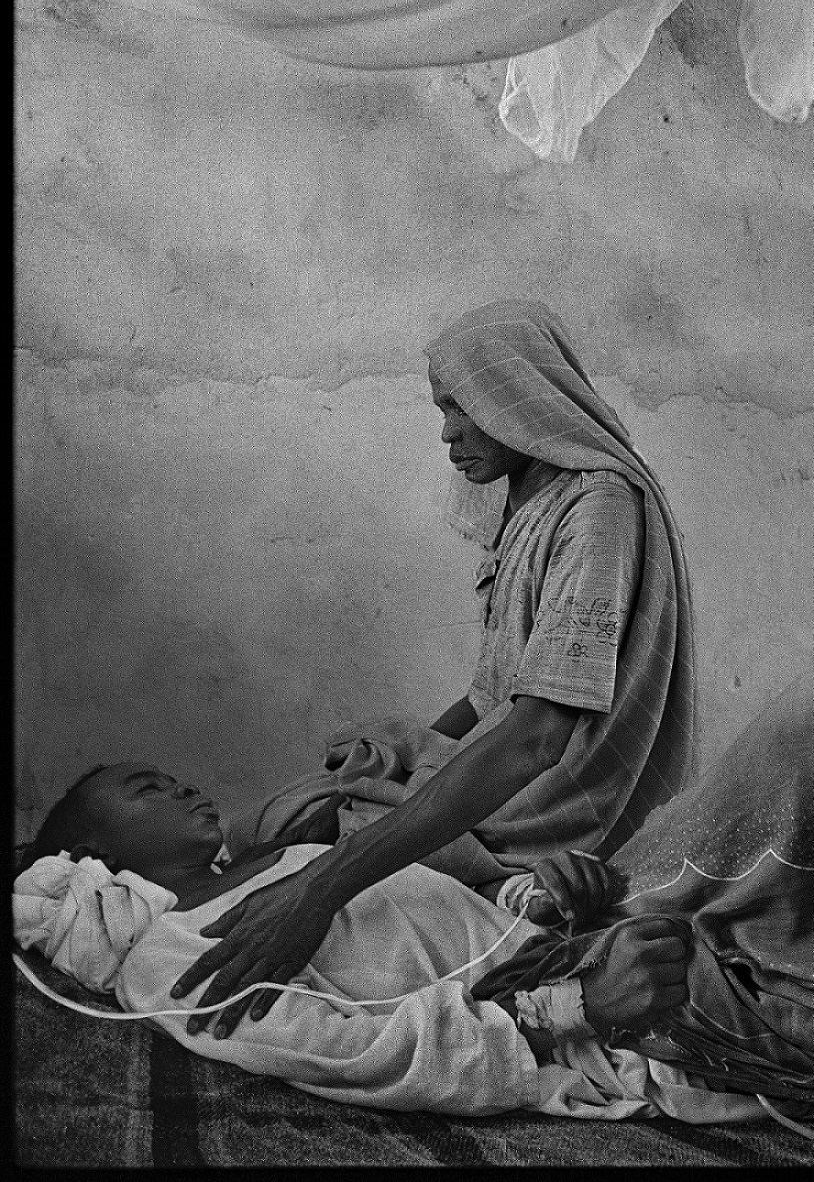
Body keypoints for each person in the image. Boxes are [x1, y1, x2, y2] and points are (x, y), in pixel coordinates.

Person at [15, 672, 814, 1134]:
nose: (183, 787)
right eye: (145, 791)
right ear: (91, 855)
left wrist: (534, 885)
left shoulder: (292, 848)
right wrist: (577, 1012)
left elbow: (463, 890)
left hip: (584, 925)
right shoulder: (169, 952)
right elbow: (359, 1050)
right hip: (620, 1005)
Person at [167, 299, 697, 1038]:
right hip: (513, 773)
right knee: (292, 811)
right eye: (442, 408)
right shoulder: (530, 503)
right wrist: (397, 757)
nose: (448, 431)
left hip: (559, 804)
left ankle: (516, 899)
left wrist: (325, 886)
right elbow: (491, 698)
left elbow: (539, 737)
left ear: (520, 396)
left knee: (324, 846)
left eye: (464, 407)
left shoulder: (599, 507)